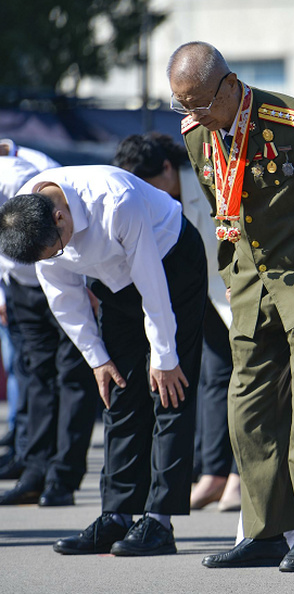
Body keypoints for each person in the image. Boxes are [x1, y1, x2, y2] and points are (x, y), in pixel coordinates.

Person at [167, 41, 294, 572]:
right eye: (181, 105)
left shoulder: (292, 121)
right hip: (250, 288)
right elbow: (221, 209)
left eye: (200, 103)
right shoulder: (197, 133)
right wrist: (232, 275)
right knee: (248, 408)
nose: (192, 115)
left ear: (231, 86)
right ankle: (263, 530)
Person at [0, 164, 207, 556]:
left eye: (57, 250)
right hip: (112, 281)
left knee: (169, 390)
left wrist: (164, 355)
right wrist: (97, 359)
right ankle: (117, 514)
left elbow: (152, 282)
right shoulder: (29, 218)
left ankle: (160, 522)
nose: (57, 257)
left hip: (169, 263)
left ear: (60, 217)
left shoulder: (114, 201)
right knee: (119, 392)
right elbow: (64, 298)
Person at [112, 132, 241, 512]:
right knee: (215, 380)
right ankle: (214, 474)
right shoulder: (146, 198)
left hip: (231, 291)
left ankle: (238, 475)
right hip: (196, 295)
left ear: (167, 168)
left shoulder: (206, 180)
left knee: (245, 381)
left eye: (145, 182)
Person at [0, 155, 98, 508]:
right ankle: (34, 471)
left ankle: (63, 478)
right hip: (21, 286)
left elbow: (70, 223)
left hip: (66, 279)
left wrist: (88, 284)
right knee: (36, 376)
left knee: (73, 375)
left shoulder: (17, 177)